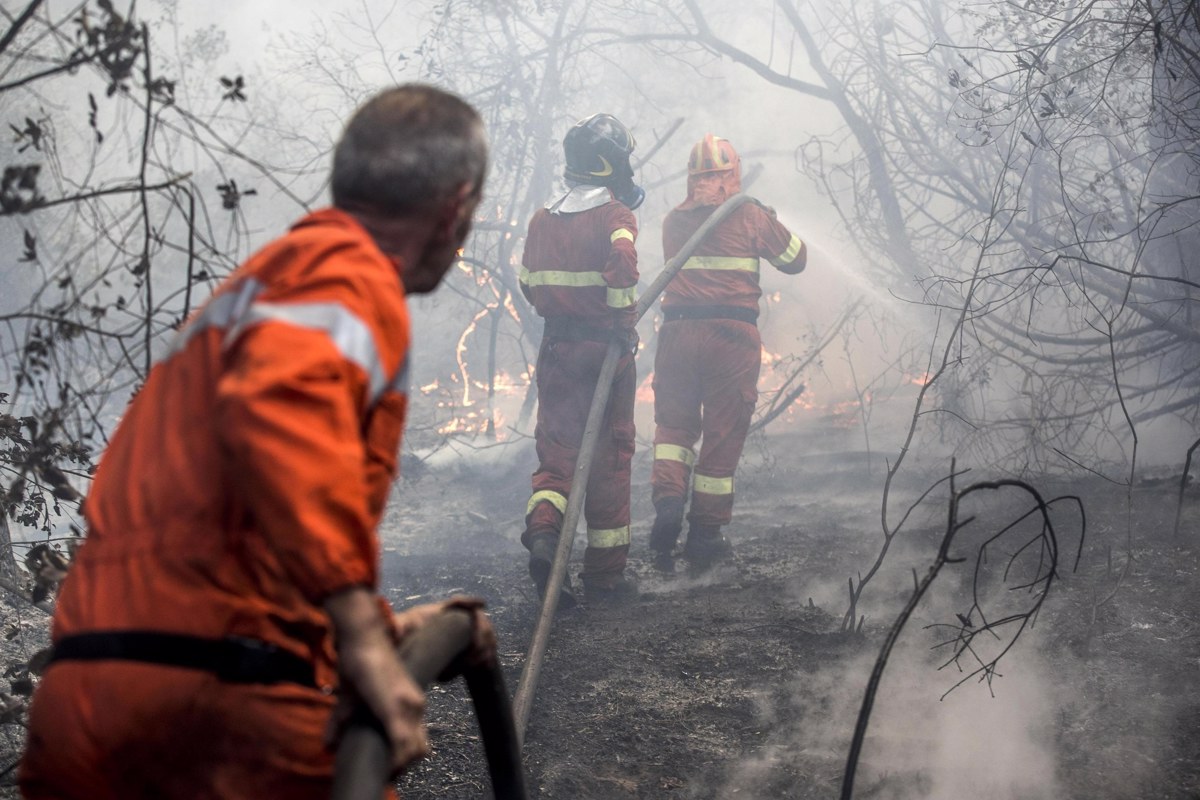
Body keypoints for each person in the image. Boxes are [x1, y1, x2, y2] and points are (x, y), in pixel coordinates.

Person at [19, 84, 494, 800]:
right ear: (455, 208)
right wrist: (362, 632)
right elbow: (280, 412)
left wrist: (374, 632)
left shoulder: (266, 286)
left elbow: (233, 534)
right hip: (221, 709)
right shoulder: (349, 274)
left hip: (87, 705)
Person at [648, 134, 807, 573]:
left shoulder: (672, 222)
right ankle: (705, 535)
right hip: (730, 337)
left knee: (674, 426)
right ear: (732, 175)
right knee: (722, 430)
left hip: (678, 333)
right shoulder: (751, 216)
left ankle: (667, 501)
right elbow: (796, 259)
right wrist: (770, 221)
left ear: (692, 179)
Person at [518, 113, 644, 605]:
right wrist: (621, 324)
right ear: (609, 165)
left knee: (556, 457)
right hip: (605, 352)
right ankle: (604, 576)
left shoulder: (541, 218)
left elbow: (530, 285)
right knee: (610, 457)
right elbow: (624, 271)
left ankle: (545, 535)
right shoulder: (616, 218)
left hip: (556, 351)